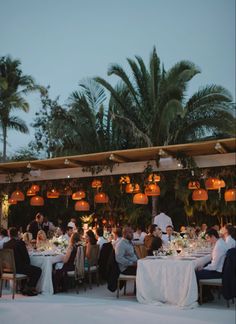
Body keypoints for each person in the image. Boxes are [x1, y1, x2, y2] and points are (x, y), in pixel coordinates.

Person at [3, 227, 42, 296]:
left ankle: (23, 287)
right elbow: (27, 259)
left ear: (9, 235)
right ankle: (28, 288)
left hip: (7, 269)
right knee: (38, 270)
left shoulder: (5, 244)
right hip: (18, 268)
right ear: (17, 234)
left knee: (27, 267)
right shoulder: (20, 243)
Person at [195, 228, 227, 301]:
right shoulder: (221, 242)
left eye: (208, 238)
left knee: (195, 274)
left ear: (212, 236)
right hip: (222, 270)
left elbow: (213, 267)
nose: (207, 240)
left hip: (218, 272)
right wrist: (205, 267)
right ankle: (207, 294)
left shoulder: (218, 247)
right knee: (205, 265)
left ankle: (204, 296)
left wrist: (203, 268)